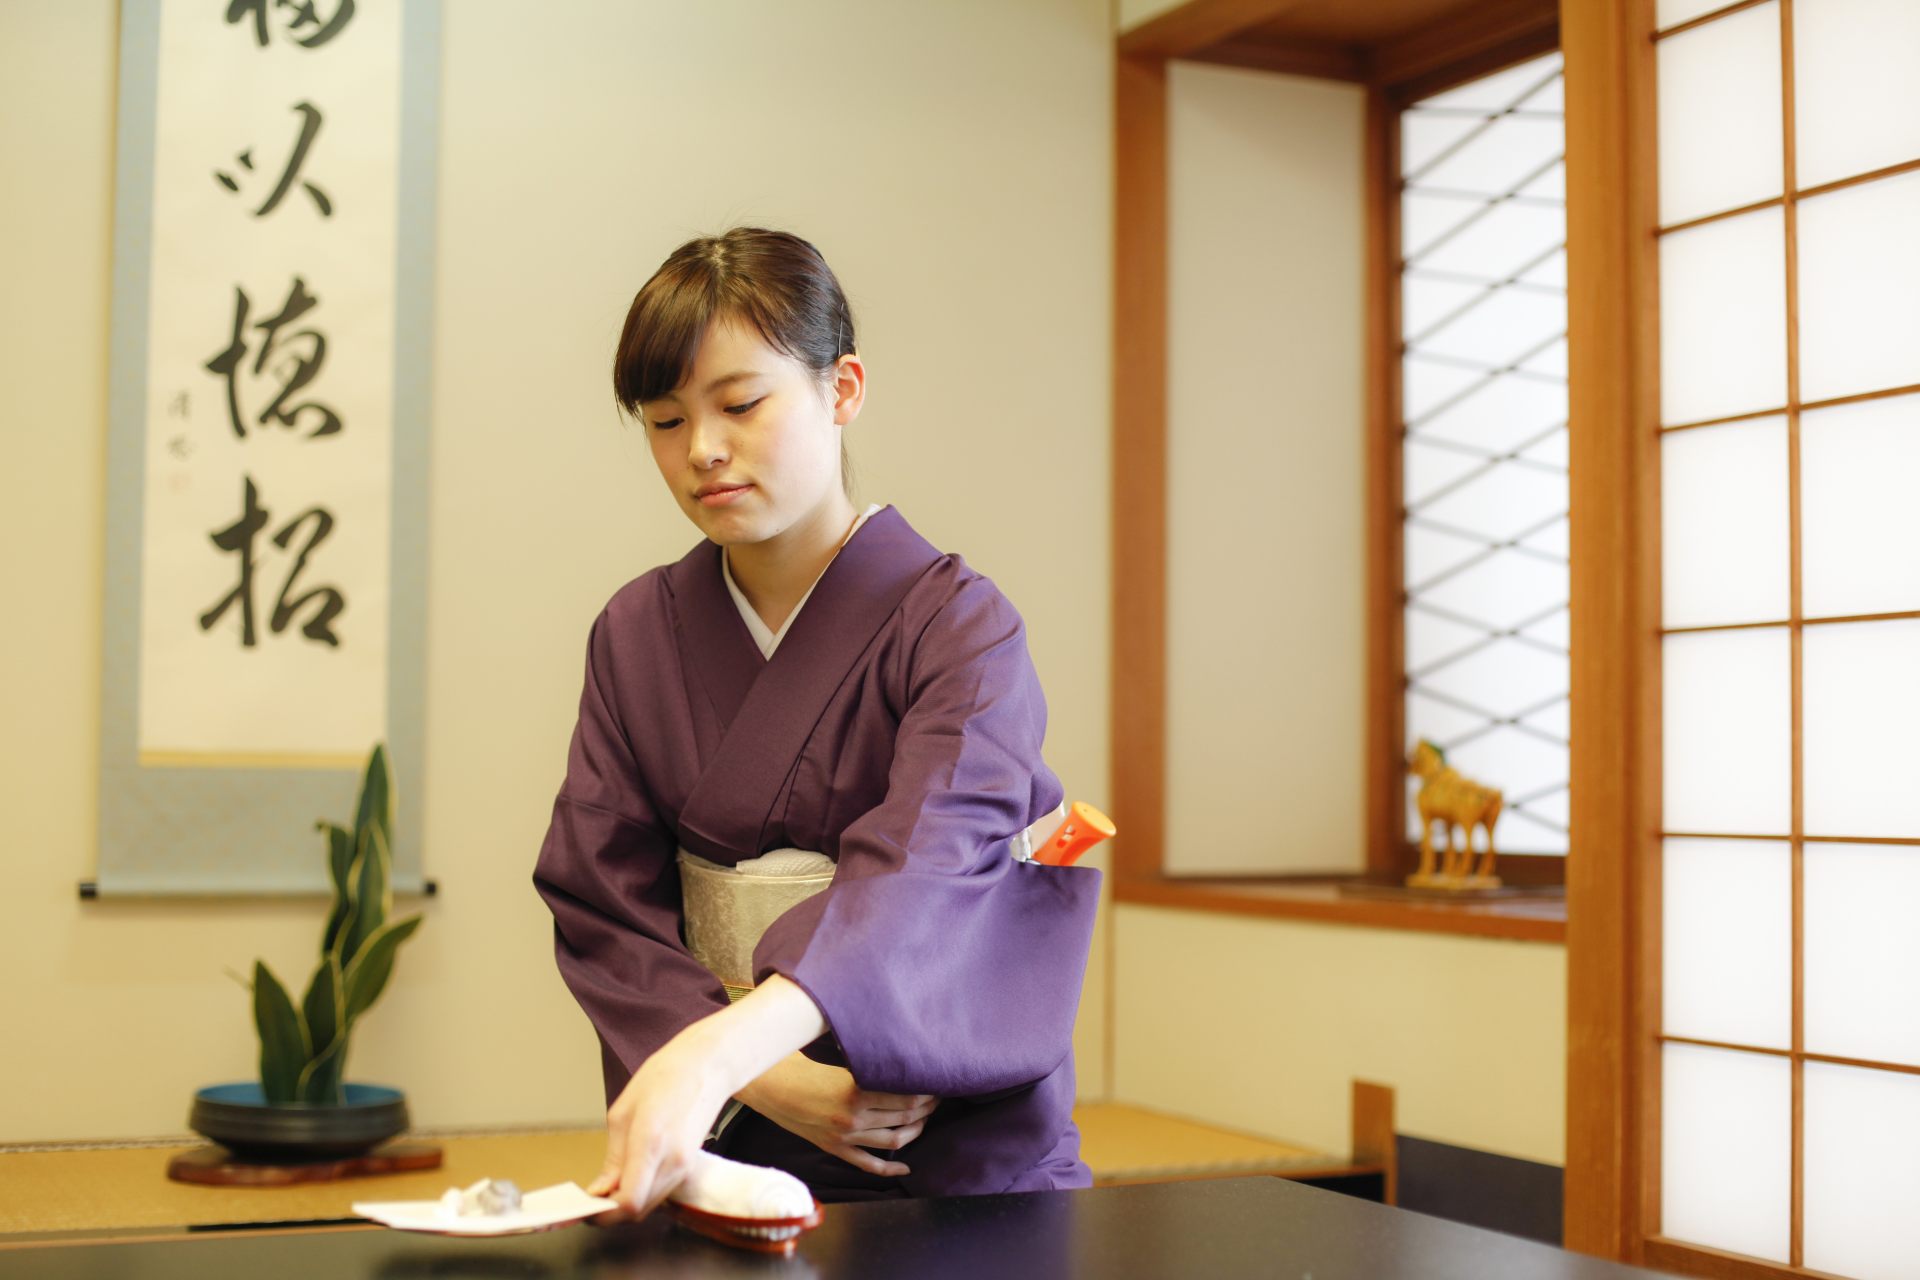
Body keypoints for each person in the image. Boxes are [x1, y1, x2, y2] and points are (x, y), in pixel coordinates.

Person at [532, 227, 1101, 1218]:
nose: (702, 449)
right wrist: (761, 1077)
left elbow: (918, 882)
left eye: (741, 404)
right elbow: (601, 902)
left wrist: (715, 1052)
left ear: (842, 389)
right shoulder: (634, 633)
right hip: (732, 1141)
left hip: (952, 1152)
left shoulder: (961, 625)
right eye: (666, 420)